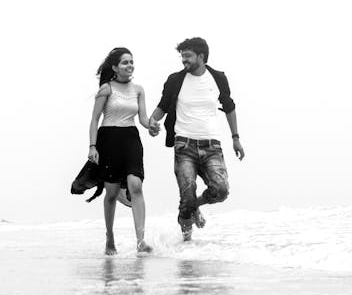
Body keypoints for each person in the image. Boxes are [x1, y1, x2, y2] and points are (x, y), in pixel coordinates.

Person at [148, 37, 244, 241]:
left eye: (188, 56)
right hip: (185, 145)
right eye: (182, 56)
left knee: (221, 190)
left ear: (201, 56)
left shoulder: (217, 78)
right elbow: (163, 106)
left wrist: (235, 138)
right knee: (187, 193)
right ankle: (187, 245)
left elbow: (230, 108)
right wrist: (152, 122)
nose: (184, 60)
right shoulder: (175, 80)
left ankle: (194, 207)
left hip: (212, 146)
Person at [88, 47, 153, 255]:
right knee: (112, 193)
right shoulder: (106, 89)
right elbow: (94, 119)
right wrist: (92, 146)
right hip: (109, 140)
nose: (130, 65)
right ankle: (110, 236)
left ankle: (141, 241)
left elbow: (143, 119)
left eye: (131, 62)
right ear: (115, 67)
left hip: (131, 139)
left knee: (136, 185)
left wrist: (151, 125)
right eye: (125, 62)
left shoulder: (139, 90)